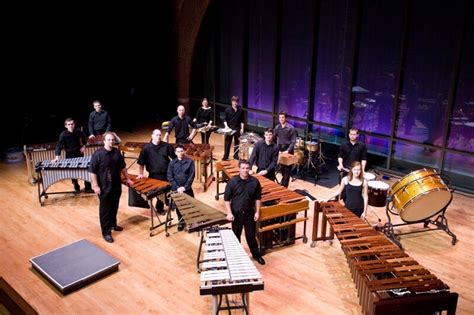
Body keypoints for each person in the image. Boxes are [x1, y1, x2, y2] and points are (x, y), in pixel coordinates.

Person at [89, 132, 133, 243]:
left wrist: (127, 178)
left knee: (114, 207)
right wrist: (95, 186)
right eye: (109, 140)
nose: (111, 141)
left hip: (116, 186)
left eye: (113, 140)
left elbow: (123, 167)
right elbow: (92, 172)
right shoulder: (97, 155)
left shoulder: (117, 153)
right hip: (104, 187)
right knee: (105, 211)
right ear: (104, 141)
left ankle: (113, 225)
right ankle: (106, 232)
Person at [224, 159, 265, 265]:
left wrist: (257, 212)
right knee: (236, 235)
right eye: (243, 168)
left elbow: (258, 198)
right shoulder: (232, 182)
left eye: (247, 168)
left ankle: (256, 255)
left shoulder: (255, 182)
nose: (245, 170)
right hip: (236, 213)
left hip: (249, 213)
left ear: (249, 169)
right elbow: (226, 199)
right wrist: (229, 213)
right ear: (239, 169)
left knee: (251, 236)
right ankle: (235, 256)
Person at [137, 129, 176, 214]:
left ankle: (164, 205)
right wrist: (140, 173)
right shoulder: (146, 148)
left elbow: (174, 158)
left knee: (167, 190)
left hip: (166, 172)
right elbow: (141, 162)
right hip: (154, 174)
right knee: (158, 192)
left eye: (159, 135)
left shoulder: (166, 146)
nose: (159, 137)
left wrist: (175, 169)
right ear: (152, 136)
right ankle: (160, 207)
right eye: (157, 135)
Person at [52, 118, 92, 193]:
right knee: (73, 173)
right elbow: (59, 146)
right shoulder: (63, 134)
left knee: (85, 170)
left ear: (74, 124)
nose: (71, 126)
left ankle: (88, 187)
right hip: (69, 155)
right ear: (66, 126)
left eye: (72, 124)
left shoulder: (78, 131)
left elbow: (85, 139)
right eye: (69, 124)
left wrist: (84, 146)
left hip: (79, 154)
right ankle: (76, 186)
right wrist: (57, 157)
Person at [167, 144, 195, 231]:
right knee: (179, 207)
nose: (180, 153)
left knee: (190, 206)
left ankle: (191, 222)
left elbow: (191, 176)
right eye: (178, 151)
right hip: (177, 189)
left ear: (184, 151)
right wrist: (177, 187)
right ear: (175, 153)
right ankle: (181, 222)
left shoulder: (190, 162)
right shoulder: (172, 163)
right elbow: (170, 176)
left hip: (187, 189)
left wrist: (185, 187)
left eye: (182, 151)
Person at [273, 111, 297, 187]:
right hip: (280, 148)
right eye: (280, 117)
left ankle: (284, 186)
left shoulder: (291, 128)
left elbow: (293, 141)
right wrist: (276, 148)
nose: (281, 119)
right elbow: (273, 138)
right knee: (282, 168)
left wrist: (288, 151)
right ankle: (283, 182)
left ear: (286, 118)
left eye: (283, 117)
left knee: (287, 170)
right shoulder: (277, 127)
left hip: (288, 149)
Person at [223, 96, 245, 160]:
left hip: (237, 128)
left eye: (236, 102)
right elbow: (224, 119)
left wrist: (242, 128)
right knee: (227, 142)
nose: (235, 103)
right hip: (229, 128)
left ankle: (236, 156)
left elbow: (242, 120)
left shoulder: (241, 110)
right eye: (234, 101)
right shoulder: (227, 109)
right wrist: (226, 127)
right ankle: (226, 156)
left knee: (237, 143)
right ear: (232, 102)